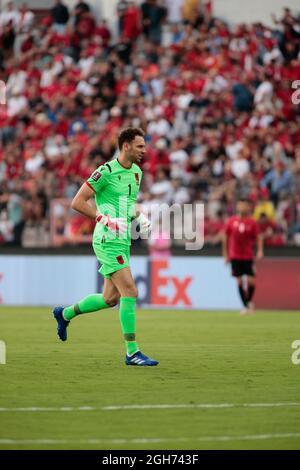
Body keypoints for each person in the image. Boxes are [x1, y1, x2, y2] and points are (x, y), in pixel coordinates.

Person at [53, 127, 159, 366]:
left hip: (123, 240)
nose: (144, 150)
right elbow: (77, 202)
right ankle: (132, 352)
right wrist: (104, 219)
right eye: (140, 146)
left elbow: (128, 205)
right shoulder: (106, 172)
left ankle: (65, 313)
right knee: (130, 292)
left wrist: (140, 217)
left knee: (110, 298)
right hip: (107, 240)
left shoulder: (136, 173)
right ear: (126, 146)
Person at [222, 198, 264, 315]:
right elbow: (225, 238)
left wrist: (260, 250)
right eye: (240, 205)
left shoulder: (252, 222)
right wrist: (225, 255)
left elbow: (259, 237)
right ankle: (246, 306)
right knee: (239, 280)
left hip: (248, 256)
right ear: (237, 207)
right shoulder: (231, 221)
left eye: (245, 206)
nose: (242, 208)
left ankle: (249, 302)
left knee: (251, 281)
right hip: (235, 255)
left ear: (248, 207)